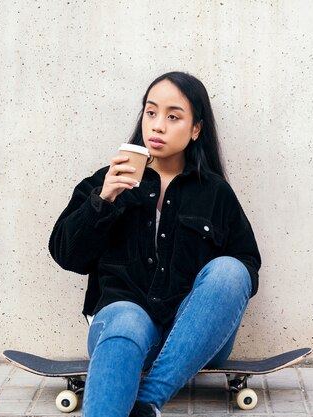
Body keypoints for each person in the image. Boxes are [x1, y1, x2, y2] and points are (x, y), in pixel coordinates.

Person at [48, 71, 261, 417]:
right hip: (124, 331)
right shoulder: (107, 180)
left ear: (196, 129)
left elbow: (246, 273)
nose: (158, 125)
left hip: (197, 340)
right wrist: (102, 202)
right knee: (127, 320)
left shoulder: (215, 193)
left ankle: (148, 399)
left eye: (173, 116)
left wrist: (197, 312)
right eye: (151, 112)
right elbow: (66, 254)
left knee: (232, 270)